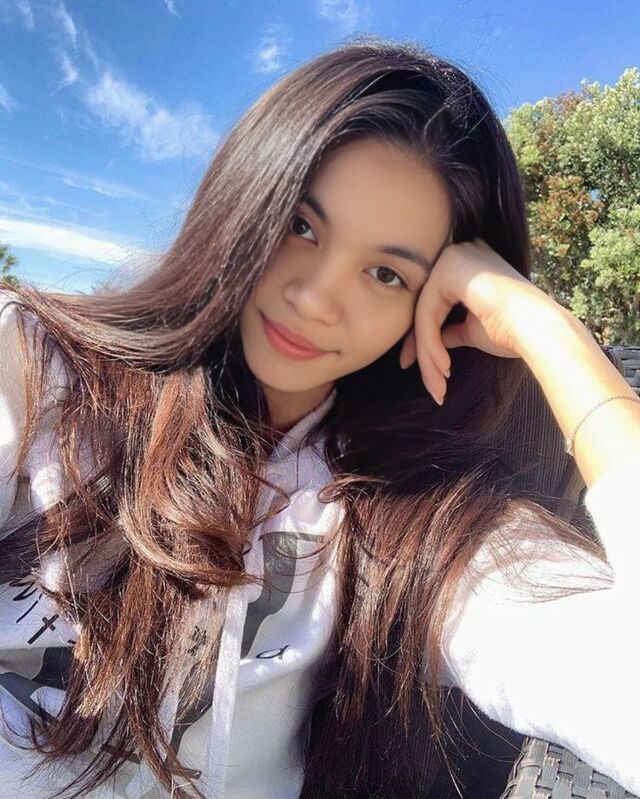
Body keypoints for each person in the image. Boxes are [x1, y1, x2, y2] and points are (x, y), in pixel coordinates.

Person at [0, 35, 639, 799]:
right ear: (246, 199)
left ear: (437, 308)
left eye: (386, 273)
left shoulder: (418, 525)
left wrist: (550, 332)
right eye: (301, 226)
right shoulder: (40, 371)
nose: (316, 297)